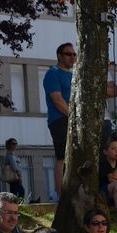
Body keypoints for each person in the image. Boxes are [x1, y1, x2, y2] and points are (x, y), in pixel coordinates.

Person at [43, 43, 75, 198]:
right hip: (59, 119)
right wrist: (74, 118)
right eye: (68, 54)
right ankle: (61, 195)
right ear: (59, 56)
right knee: (62, 156)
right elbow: (57, 100)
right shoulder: (52, 73)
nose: (72, 57)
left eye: (74, 54)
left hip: (73, 120)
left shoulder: (74, 75)